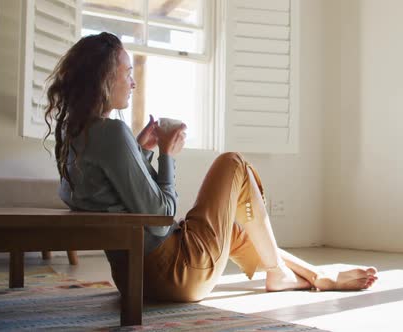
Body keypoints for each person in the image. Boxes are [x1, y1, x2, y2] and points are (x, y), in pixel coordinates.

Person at [44, 32, 378, 302]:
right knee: (233, 163)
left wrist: (142, 152)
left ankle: (313, 274)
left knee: (232, 230)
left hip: (133, 280)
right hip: (173, 274)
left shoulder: (74, 135)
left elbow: (119, 203)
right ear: (104, 78)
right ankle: (279, 273)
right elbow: (160, 219)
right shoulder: (112, 133)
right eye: (127, 73)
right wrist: (167, 156)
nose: (133, 82)